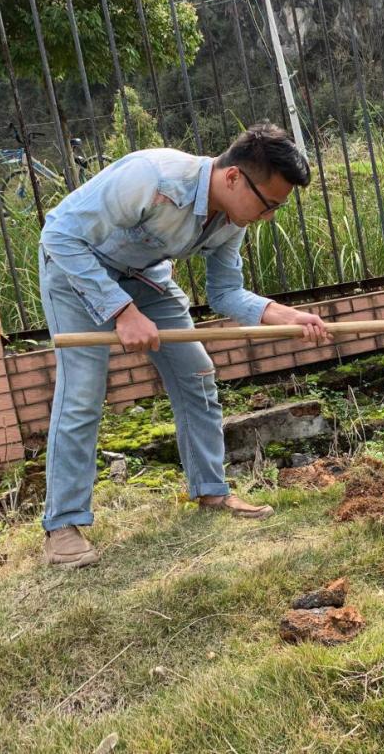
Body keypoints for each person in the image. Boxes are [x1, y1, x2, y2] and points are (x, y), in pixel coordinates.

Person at [38, 123, 331, 568]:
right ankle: (62, 526)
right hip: (75, 270)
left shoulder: (232, 218)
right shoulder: (153, 176)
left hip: (144, 278)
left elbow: (225, 292)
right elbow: (59, 234)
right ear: (233, 177)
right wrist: (122, 311)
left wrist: (284, 315)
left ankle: (212, 492)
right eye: (268, 204)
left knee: (196, 372)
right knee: (82, 391)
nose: (268, 216)